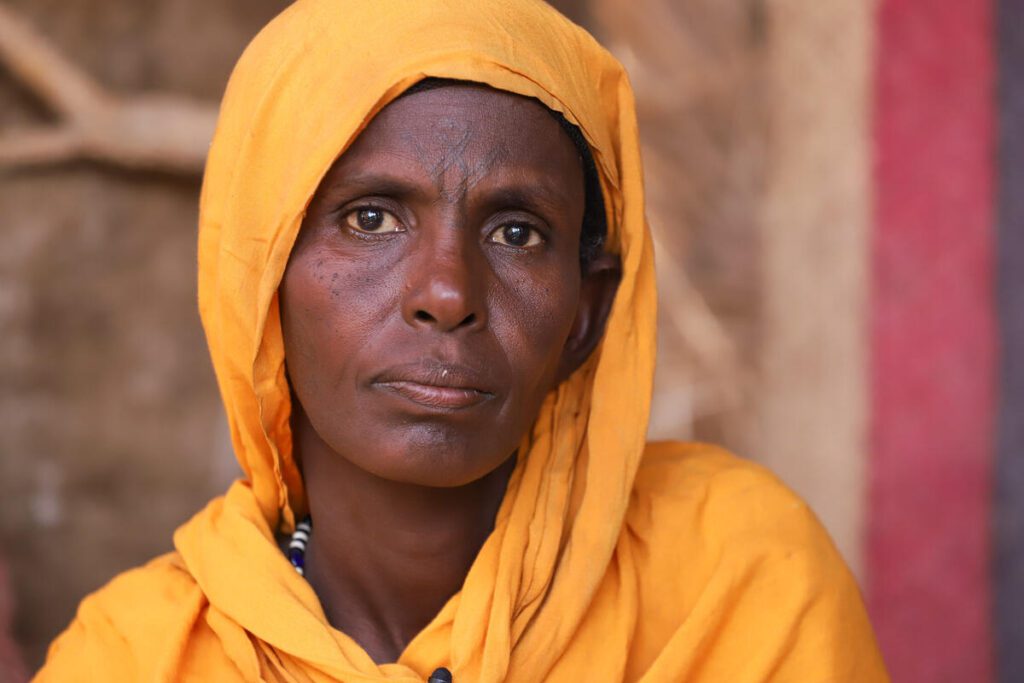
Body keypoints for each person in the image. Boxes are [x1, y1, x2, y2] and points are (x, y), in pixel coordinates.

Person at [36, 0, 889, 680]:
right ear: (259, 287)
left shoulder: (737, 583)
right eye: (371, 219)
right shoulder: (136, 658)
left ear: (586, 313)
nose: (447, 294)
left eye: (516, 233)